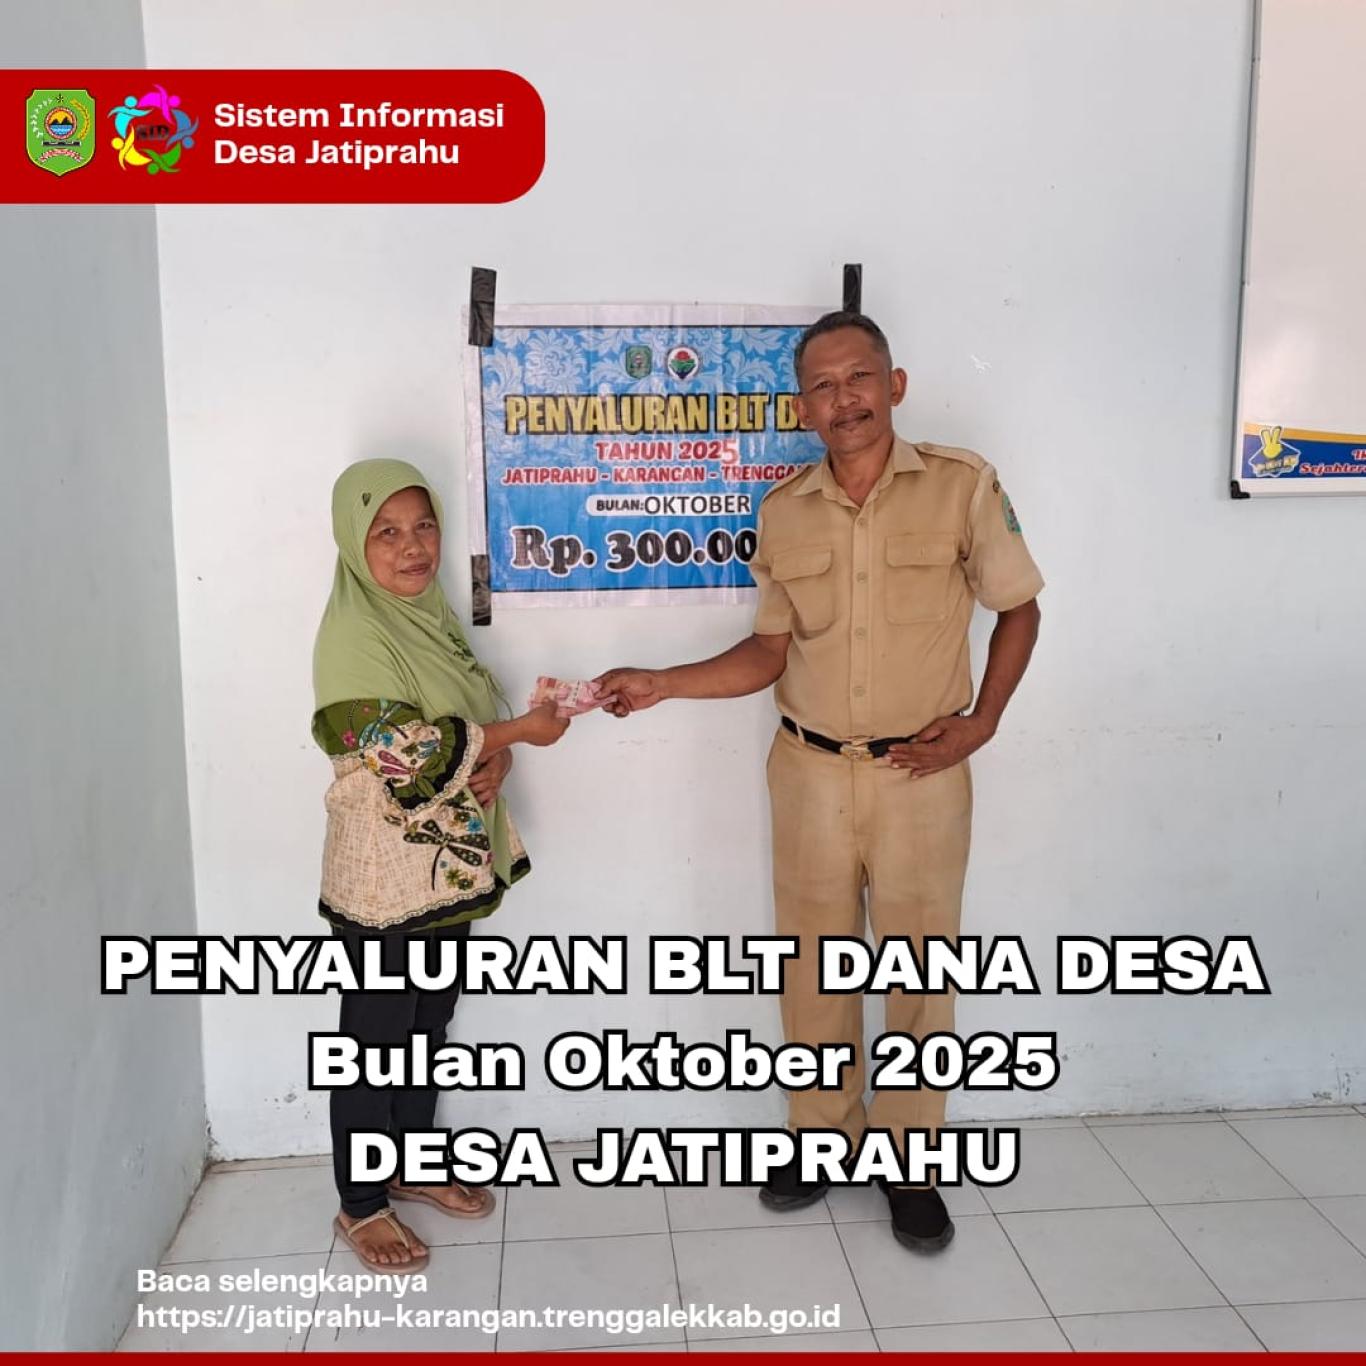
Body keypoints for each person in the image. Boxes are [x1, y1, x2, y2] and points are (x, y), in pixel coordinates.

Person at [597, 312, 1043, 1253]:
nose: (845, 400)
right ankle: (821, 1139)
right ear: (803, 407)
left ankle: (910, 1161)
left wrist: (984, 721)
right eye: (824, 386)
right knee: (812, 965)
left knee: (920, 973)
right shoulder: (784, 511)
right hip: (807, 772)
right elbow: (768, 653)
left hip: (923, 772)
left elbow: (1019, 610)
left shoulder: (961, 485)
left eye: (860, 378)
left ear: (896, 384)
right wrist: (662, 682)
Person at [311, 458, 569, 1269]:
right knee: (375, 1036)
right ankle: (359, 1205)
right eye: (386, 531)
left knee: (427, 1022)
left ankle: (413, 1161)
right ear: (355, 543)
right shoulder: (354, 635)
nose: (412, 546)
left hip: (443, 872)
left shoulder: (430, 618)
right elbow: (405, 756)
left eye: (423, 525)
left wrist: (502, 756)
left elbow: (471, 715)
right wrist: (519, 734)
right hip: (384, 881)